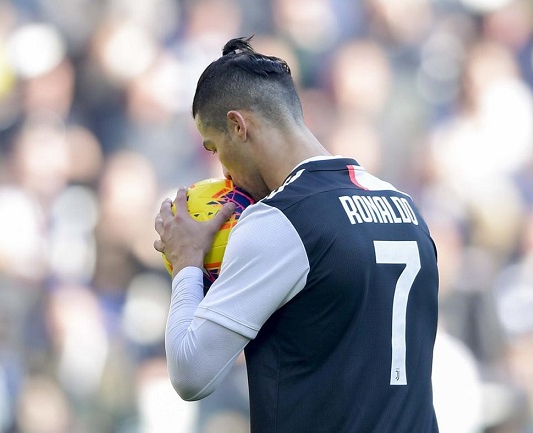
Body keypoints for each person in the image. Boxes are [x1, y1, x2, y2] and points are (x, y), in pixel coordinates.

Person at [154, 36, 439, 433]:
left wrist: (186, 263)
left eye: (215, 147)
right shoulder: (405, 207)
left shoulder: (281, 219)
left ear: (238, 126)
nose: (224, 174)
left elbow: (191, 373)